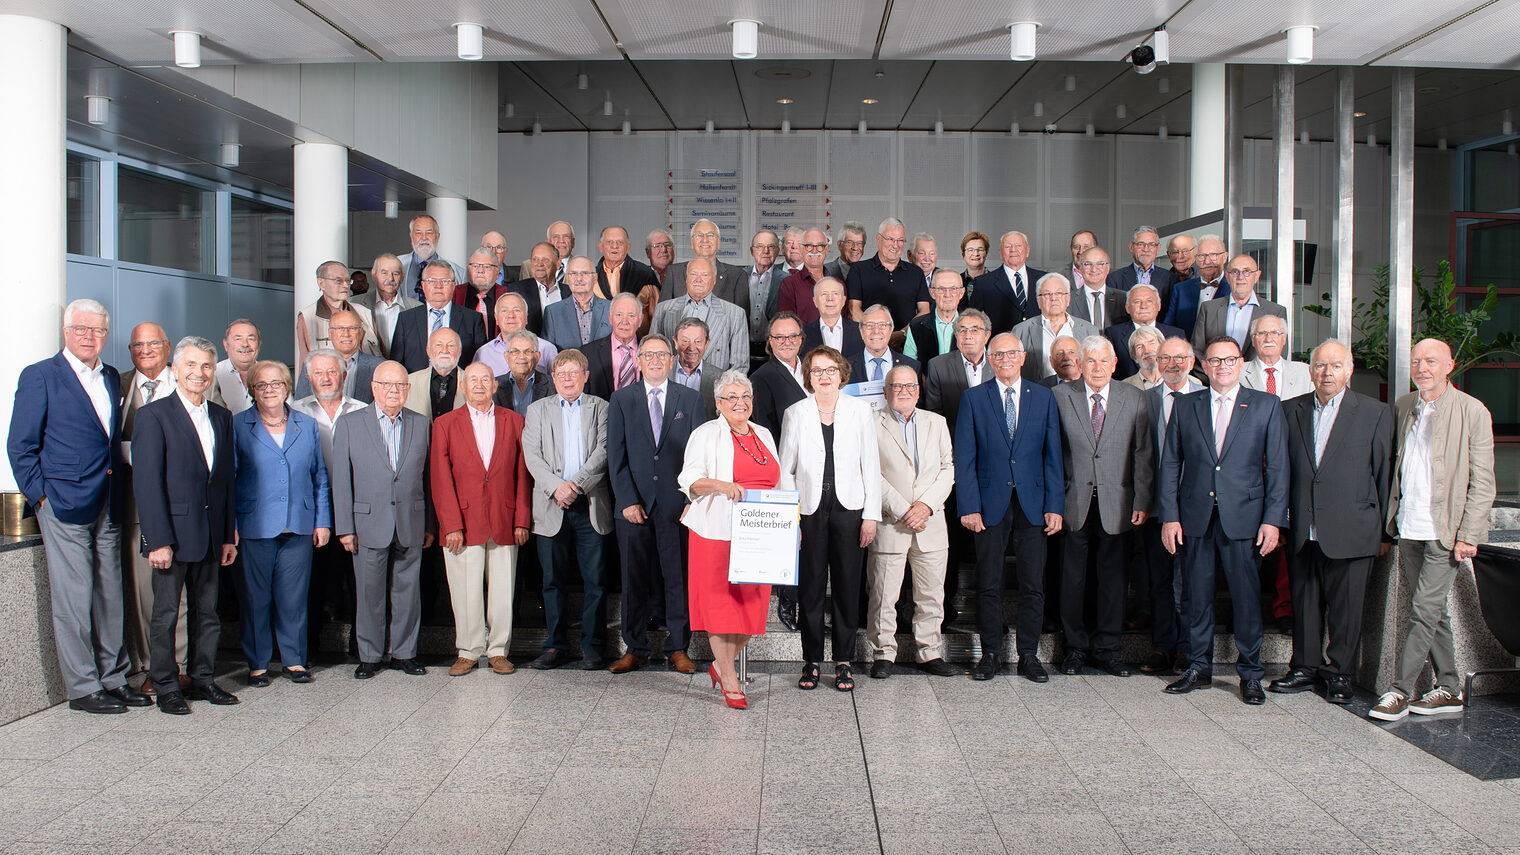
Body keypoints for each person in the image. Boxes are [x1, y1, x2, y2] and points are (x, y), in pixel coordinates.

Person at [7, 299, 145, 714]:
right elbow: (21, 446)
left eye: (99, 330)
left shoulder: (108, 377)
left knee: (109, 593)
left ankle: (115, 677)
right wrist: (41, 496)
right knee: (74, 596)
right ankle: (84, 687)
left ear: (106, 334)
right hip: (63, 502)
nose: (90, 337)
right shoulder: (40, 376)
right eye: (82, 329)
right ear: (66, 332)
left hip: (108, 498)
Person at [1370, 338, 1496, 721]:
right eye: (1417, 361)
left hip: (1446, 529)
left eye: (1431, 361)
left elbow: (1483, 482)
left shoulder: (1472, 411)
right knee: (1431, 609)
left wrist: (1469, 534)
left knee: (1423, 609)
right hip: (1409, 525)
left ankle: (1399, 691)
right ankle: (1450, 687)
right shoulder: (1405, 406)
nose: (1422, 367)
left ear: (1449, 366)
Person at [1159, 336, 1289, 706]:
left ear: (1241, 362)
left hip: (1245, 519)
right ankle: (1199, 668)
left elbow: (1278, 469)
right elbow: (1170, 464)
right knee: (1196, 597)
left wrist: (1272, 521)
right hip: (1195, 517)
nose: (1222, 367)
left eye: (1229, 360)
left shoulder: (1265, 405)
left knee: (1246, 599)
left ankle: (1251, 674)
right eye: (1214, 361)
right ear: (1204, 365)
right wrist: (1170, 517)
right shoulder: (1186, 405)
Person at [1270, 339, 1393, 705]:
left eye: (1335, 366)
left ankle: (1340, 673)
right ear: (1309, 371)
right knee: (1305, 604)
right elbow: (1279, 471)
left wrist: (1385, 532)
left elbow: (1384, 474)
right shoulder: (1290, 409)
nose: (1327, 373)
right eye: (1320, 366)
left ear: (1350, 369)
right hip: (1304, 528)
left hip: (1354, 528)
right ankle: (1304, 668)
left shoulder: (1375, 413)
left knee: (1346, 608)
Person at [131, 335, 240, 714]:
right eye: (191, 365)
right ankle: (165, 685)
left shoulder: (222, 417)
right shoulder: (153, 415)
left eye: (206, 366)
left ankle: (203, 679)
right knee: (165, 615)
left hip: (211, 534)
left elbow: (225, 482)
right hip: (171, 537)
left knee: (207, 612)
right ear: (175, 370)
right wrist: (156, 540)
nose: (199, 373)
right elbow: (146, 484)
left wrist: (228, 535)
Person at [953, 333, 1063, 683]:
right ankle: (990, 654)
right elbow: (965, 458)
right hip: (988, 504)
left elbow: (1053, 457)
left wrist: (1055, 505)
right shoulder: (973, 398)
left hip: (1034, 504)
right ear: (989, 358)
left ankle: (1028, 655)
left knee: (1033, 582)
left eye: (1010, 353)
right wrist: (968, 505)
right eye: (997, 354)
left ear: (1023, 356)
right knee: (988, 581)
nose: (1004, 359)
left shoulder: (1043, 397)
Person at [777, 346, 881, 692]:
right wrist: (791, 518)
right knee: (810, 588)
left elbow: (871, 465)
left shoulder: (860, 411)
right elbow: (785, 470)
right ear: (809, 376)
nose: (824, 376)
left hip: (850, 508)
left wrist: (871, 515)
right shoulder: (796, 413)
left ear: (842, 374)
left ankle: (844, 661)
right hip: (808, 510)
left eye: (831, 369)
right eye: (817, 370)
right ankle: (811, 661)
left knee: (848, 587)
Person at [1052, 337, 1153, 678]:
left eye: (1103, 361)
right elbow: (1052, 455)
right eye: (1090, 361)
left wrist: (1142, 499)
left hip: (1119, 503)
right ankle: (1075, 649)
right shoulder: (1060, 397)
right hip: (1073, 503)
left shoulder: (1134, 398)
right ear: (1079, 365)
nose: (1097, 368)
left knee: (1113, 581)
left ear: (1115, 364)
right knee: (1072, 580)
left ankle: (1108, 650)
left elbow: (1143, 454)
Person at [679, 370, 781, 709]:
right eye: (732, 397)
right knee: (722, 609)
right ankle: (729, 677)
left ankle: (719, 665)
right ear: (719, 403)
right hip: (717, 533)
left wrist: (790, 527)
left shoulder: (764, 433)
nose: (740, 403)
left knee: (752, 609)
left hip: (761, 534)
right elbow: (689, 479)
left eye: (745, 397)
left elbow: (779, 485)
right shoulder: (706, 433)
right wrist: (722, 486)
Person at [606, 334, 704, 674]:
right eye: (649, 355)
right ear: (638, 360)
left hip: (676, 506)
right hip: (634, 507)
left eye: (662, 354)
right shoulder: (621, 400)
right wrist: (627, 500)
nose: (656, 360)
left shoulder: (690, 400)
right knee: (634, 579)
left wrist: (691, 500)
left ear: (672, 359)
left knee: (677, 578)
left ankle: (678, 647)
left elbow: (698, 457)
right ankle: (635, 647)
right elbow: (615, 456)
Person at [231, 360, 330, 686]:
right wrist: (229, 523)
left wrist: (322, 521)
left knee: (293, 597)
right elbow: (228, 479)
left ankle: (294, 660)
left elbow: (319, 478)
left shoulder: (307, 424)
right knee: (255, 598)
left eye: (276, 383)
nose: (270, 390)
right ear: (253, 390)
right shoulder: (237, 425)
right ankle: (258, 663)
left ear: (288, 388)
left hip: (298, 524)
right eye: (262, 385)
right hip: (254, 524)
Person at [430, 363, 532, 677]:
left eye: (484, 379)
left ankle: (499, 650)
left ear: (494, 385)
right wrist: (451, 525)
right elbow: (439, 478)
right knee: (464, 589)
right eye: (472, 379)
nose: (478, 384)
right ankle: (468, 651)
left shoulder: (515, 421)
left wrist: (522, 519)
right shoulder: (445, 424)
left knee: (504, 589)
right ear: (462, 386)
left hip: (504, 518)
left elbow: (523, 475)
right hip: (462, 521)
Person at [331, 360, 430, 678]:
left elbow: (429, 479)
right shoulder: (350, 424)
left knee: (408, 592)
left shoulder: (421, 423)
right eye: (386, 385)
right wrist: (344, 527)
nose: (393, 391)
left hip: (410, 521)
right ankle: (370, 656)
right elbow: (341, 480)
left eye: (400, 385)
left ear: (408, 389)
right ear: (373, 388)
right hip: (367, 523)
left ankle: (404, 653)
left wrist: (430, 524)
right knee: (369, 593)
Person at [119, 321, 202, 691]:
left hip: (189, 507)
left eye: (153, 343)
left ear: (169, 349)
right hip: (136, 506)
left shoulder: (189, 381)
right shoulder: (116, 385)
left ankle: (179, 665)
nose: (146, 350)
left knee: (181, 594)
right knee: (146, 594)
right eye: (138, 345)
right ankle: (155, 667)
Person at [522, 349, 613, 670]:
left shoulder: (601, 408)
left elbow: (604, 450)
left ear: (586, 376)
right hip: (551, 505)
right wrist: (557, 487)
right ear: (553, 377)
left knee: (596, 582)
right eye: (561, 373)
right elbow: (531, 455)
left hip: (590, 505)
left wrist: (575, 485)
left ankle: (593, 647)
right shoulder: (537, 410)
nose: (568, 379)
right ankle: (555, 645)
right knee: (552, 581)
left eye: (574, 372)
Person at [866, 366, 957, 679]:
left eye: (909, 386)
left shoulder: (937, 422)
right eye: (895, 386)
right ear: (885, 391)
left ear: (918, 390)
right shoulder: (871, 423)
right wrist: (904, 508)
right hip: (892, 521)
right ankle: (882, 653)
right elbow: (869, 473)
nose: (903, 391)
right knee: (883, 595)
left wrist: (925, 506)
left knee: (931, 593)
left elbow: (948, 469)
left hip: (930, 523)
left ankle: (929, 651)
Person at [1138, 337, 1204, 674]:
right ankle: (1163, 645)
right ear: (1156, 363)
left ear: (1192, 361)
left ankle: (1188, 648)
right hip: (1156, 507)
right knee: (1159, 579)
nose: (1172, 364)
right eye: (1165, 358)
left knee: (1191, 580)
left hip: (1196, 507)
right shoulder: (1145, 400)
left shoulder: (1206, 399)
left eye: (1180, 358)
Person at [651, 257, 749, 373]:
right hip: (673, 387)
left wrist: (722, 390)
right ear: (686, 279)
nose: (698, 279)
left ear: (714, 280)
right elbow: (652, 354)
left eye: (705, 275)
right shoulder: (663, 309)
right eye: (693, 274)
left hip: (715, 387)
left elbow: (739, 366)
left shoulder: (735, 314)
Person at [390, 260, 488, 371]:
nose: (438, 286)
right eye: (432, 281)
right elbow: (395, 365)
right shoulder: (406, 319)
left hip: (459, 385)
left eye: (445, 281)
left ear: (453, 285)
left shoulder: (473, 320)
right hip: (416, 385)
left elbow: (481, 364)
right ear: (423, 285)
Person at [1191, 255, 1286, 362]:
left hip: (1257, 378)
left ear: (1257, 276)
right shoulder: (1208, 308)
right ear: (1227, 276)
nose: (1240, 277)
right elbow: (1197, 351)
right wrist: (1212, 376)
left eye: (1247, 271)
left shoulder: (1275, 312)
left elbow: (1279, 355)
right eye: (1235, 272)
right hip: (1213, 377)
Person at [1012, 274, 1099, 383]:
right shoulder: (1021, 331)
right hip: (1037, 394)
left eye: (1059, 293)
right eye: (1047, 294)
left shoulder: (1089, 330)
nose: (1053, 298)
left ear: (1068, 299)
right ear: (1038, 301)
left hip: (1079, 393)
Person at [296, 259, 381, 369]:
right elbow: (305, 365)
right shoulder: (307, 317)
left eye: (347, 280)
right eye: (338, 281)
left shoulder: (364, 313)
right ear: (321, 283)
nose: (345, 285)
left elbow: (378, 355)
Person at [845, 217, 928, 327]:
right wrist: (878, 333)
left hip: (907, 341)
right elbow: (853, 310)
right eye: (890, 239)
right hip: (869, 340)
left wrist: (903, 334)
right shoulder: (858, 270)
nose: (895, 245)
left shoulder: (916, 272)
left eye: (900, 240)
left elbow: (925, 311)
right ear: (878, 239)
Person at [293, 309, 382, 403]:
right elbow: (300, 405)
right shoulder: (311, 364)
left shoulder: (378, 366)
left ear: (361, 333)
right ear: (330, 334)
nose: (346, 334)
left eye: (352, 328)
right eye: (339, 328)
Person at [661, 219, 751, 312]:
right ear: (692, 243)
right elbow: (662, 314)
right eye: (699, 235)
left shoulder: (737, 276)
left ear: (718, 243)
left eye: (710, 235)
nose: (705, 240)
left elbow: (742, 321)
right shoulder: (674, 273)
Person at [970, 230, 1047, 334]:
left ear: (1027, 251)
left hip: (1037, 347)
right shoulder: (983, 283)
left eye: (1019, 245)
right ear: (1000, 253)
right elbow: (973, 321)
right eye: (1007, 246)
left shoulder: (1044, 279)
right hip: (1001, 347)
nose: (1013, 250)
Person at [1105, 284, 1184, 379]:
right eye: (1137, 302)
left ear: (1159, 306)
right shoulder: (1113, 334)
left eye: (1149, 301)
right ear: (1128, 308)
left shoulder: (1176, 335)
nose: (1143, 306)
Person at [350, 253, 420, 359]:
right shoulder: (354, 304)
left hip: (406, 371)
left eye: (395, 274)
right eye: (384, 273)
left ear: (402, 277)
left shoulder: (418, 308)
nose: (390, 278)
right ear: (373, 275)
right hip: (369, 369)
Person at [596, 226, 662, 332]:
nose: (614, 246)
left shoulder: (644, 274)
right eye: (609, 242)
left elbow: (658, 317)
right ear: (600, 247)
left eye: (620, 242)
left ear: (628, 247)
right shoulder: (591, 277)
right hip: (600, 344)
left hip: (638, 342)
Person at [475, 293, 558, 377]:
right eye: (504, 311)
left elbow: (557, 385)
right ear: (496, 318)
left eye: (516, 310)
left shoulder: (547, 349)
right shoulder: (483, 353)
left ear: (526, 317)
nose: (511, 315)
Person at [542, 256, 612, 352]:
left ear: (595, 278)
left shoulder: (611, 308)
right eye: (573, 273)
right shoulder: (553, 312)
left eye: (585, 273)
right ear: (567, 278)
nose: (579, 278)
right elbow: (548, 353)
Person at [1163, 234, 1226, 335]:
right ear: (1196, 258)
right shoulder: (1181, 290)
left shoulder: (1234, 288)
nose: (1207, 261)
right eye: (1202, 256)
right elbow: (1168, 328)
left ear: (1224, 257)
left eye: (1213, 255)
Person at [1106, 226, 1177, 315]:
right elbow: (1112, 314)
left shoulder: (1171, 279)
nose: (1146, 249)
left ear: (1158, 248)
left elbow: (1171, 315)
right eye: (1140, 244)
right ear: (1131, 247)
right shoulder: (1114, 279)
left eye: (1151, 244)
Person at [399, 215, 466, 301]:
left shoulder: (458, 272)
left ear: (437, 236)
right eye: (418, 233)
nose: (424, 238)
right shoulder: (397, 265)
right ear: (411, 236)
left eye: (429, 233)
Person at [404, 328, 466, 419]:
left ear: (459, 351)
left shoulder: (474, 382)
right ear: (428, 351)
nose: (444, 350)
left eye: (451, 345)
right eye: (438, 345)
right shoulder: (408, 382)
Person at [505, 241, 565, 335]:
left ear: (558, 264)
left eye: (545, 260)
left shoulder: (569, 292)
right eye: (535, 259)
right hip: (531, 348)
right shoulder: (517, 290)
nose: (539, 264)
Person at [904, 269, 965, 362]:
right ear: (932, 293)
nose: (947, 295)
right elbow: (909, 365)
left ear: (961, 293)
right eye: (941, 289)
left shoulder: (973, 326)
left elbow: (980, 364)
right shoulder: (916, 326)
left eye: (953, 289)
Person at [849, 304, 919, 384]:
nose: (876, 331)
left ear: (891, 330)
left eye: (882, 325)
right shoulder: (844, 366)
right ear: (861, 331)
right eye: (869, 325)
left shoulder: (913, 366)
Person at [743, 229, 786, 361]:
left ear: (777, 251)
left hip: (773, 352)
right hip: (743, 350)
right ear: (752, 251)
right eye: (760, 246)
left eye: (771, 247)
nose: (765, 251)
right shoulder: (740, 277)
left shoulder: (787, 280)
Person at [492, 330, 554, 417]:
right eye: (515, 351)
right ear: (506, 356)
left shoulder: (553, 385)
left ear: (537, 356)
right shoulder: (492, 386)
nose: (521, 357)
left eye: (528, 351)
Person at [671, 317, 722, 420]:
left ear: (707, 343)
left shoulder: (719, 377)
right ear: (675, 342)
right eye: (685, 341)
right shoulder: (662, 372)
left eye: (698, 341)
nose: (692, 348)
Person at [452, 247, 508, 339]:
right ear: (468, 269)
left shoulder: (507, 295)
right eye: (475, 266)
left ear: (497, 272)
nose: (480, 271)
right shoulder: (454, 294)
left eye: (487, 267)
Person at [801, 276, 863, 358]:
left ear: (843, 301)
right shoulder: (803, 334)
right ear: (815, 301)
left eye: (835, 294)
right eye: (824, 294)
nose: (830, 299)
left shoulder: (860, 330)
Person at [777, 228, 829, 324]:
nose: (814, 250)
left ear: (827, 249)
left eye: (820, 245)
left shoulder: (837, 283)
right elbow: (786, 323)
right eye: (809, 246)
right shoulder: (787, 283)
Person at [1068, 247, 1128, 330]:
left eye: (1100, 264)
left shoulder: (1124, 298)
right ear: (1080, 269)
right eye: (1088, 264)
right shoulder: (1068, 300)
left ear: (1108, 268)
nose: (1094, 269)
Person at [216, 318, 260, 413]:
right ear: (225, 345)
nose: (245, 344)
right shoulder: (213, 375)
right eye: (238, 339)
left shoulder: (274, 375)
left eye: (251, 339)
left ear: (259, 344)